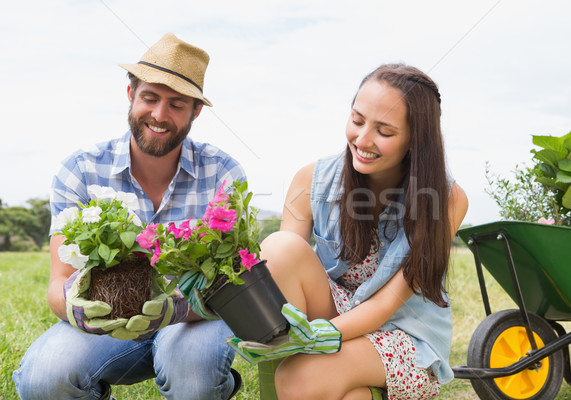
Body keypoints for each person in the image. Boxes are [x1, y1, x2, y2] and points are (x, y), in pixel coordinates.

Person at [13, 33, 245, 400]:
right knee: (44, 378)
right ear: (130, 95)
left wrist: (175, 310)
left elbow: (234, 284)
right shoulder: (82, 169)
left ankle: (217, 384)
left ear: (196, 111)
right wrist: (79, 313)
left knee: (194, 375)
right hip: (108, 322)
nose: (159, 115)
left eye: (177, 104)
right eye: (149, 98)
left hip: (193, 321)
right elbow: (59, 282)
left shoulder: (222, 173)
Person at [231, 63, 468, 399]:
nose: (363, 139)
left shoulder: (446, 199)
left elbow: (387, 303)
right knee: (279, 249)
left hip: (404, 334)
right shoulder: (310, 180)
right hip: (339, 314)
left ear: (416, 140)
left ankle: (337, 379)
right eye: (357, 120)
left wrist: (316, 337)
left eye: (384, 132)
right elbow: (276, 282)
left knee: (300, 380)